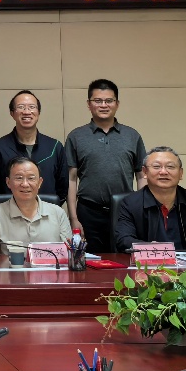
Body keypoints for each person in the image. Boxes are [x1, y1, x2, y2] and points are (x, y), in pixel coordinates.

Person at [65, 78, 147, 254]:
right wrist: (73, 218)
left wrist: (141, 210)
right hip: (88, 212)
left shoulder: (132, 135)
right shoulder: (76, 136)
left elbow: (141, 176)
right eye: (98, 101)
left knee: (126, 258)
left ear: (117, 104)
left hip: (125, 211)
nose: (103, 105)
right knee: (90, 261)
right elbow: (71, 179)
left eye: (109, 100)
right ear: (89, 104)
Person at [113, 147, 186, 256]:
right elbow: (123, 240)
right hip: (148, 266)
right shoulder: (130, 203)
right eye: (156, 166)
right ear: (145, 172)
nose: (163, 172)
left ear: (181, 173)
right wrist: (147, 247)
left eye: (170, 167)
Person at [0, 157, 73, 259]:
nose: (25, 184)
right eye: (19, 178)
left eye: (31, 178)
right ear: (8, 182)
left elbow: (69, 256)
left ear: (40, 182)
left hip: (51, 269)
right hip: (11, 269)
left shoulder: (58, 213)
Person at [0, 90, 68, 201]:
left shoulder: (54, 146)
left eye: (32, 107)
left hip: (47, 210)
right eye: (21, 107)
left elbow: (62, 188)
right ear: (12, 113)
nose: (27, 112)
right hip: (9, 211)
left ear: (38, 112)